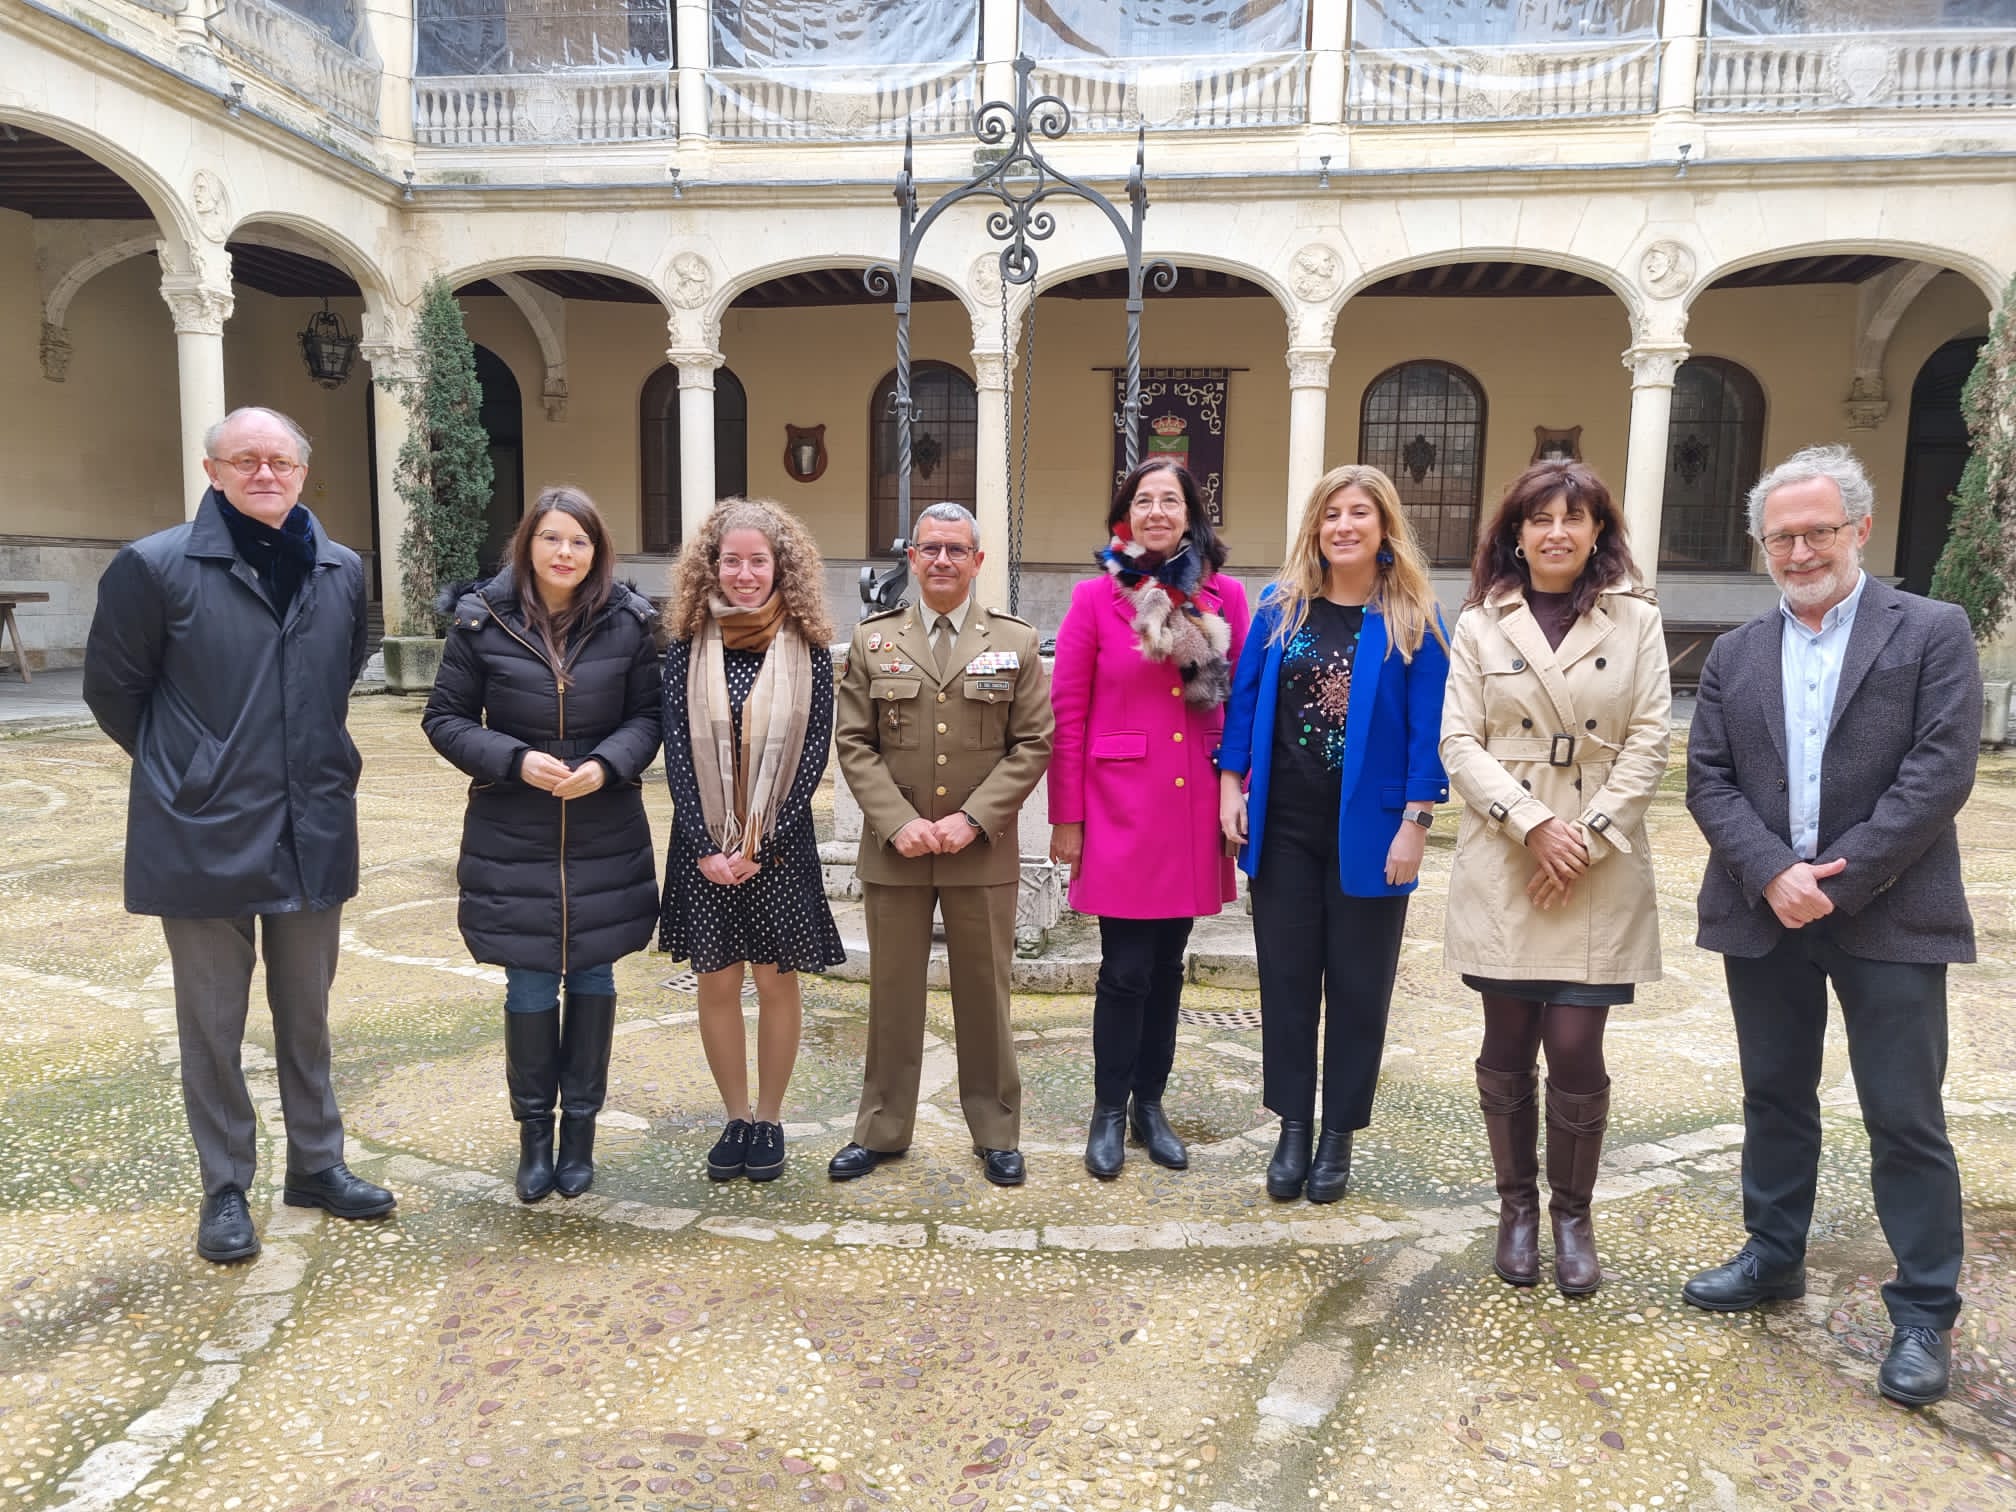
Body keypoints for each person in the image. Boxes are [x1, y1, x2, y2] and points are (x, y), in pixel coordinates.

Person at [1682, 444, 1978, 1409]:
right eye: (1782, 538)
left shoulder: (1930, 630)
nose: (1800, 552)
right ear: (1763, 546)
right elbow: (1709, 780)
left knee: (1904, 1114)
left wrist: (1835, 884)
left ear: (1859, 529)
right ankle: (1773, 1255)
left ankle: (1924, 1310)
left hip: (1891, 911)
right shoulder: (1734, 653)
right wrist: (1773, 872)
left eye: (1817, 532)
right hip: (1764, 910)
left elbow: (1940, 773)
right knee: (1774, 1096)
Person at [83, 406, 395, 1263]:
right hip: (202, 827)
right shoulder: (153, 567)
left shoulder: (340, 569)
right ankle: (225, 1186)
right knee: (213, 1023)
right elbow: (114, 691)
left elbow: (333, 678)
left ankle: (318, 1165)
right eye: (245, 460)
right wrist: (194, 767)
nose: (264, 473)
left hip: (312, 820)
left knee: (308, 1014)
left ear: (302, 472)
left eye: (280, 461)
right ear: (212, 471)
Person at [1440, 460, 1670, 1296]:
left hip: (1597, 859)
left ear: (1599, 530)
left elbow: (1650, 739)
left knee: (1574, 1044)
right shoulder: (1480, 622)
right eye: (1540, 519)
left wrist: (1586, 838)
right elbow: (1457, 741)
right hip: (1510, 852)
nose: (1557, 533)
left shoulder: (1636, 618)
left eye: (1575, 517)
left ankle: (1572, 1213)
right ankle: (1517, 1210)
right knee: (1506, 1041)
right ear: (1516, 533)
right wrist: (1534, 826)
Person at [422, 487, 662, 1202]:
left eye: (579, 541)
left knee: (593, 978)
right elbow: (445, 718)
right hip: (512, 831)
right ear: (527, 543)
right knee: (528, 982)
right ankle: (534, 1136)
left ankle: (579, 1135)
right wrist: (513, 759)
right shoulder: (481, 620)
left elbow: (650, 716)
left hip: (602, 830)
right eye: (552, 538)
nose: (565, 552)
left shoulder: (628, 621)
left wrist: (608, 764)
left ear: (597, 551)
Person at [1219, 464, 1450, 1202]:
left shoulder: (1413, 618)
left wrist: (1416, 824)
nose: (1343, 526)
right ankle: (1293, 1125)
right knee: (1287, 984)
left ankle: (1338, 1133)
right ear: (1315, 528)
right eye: (1330, 514)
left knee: (1358, 988)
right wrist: (1229, 787)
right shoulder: (1279, 610)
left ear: (1384, 528)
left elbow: (1428, 733)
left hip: (1376, 835)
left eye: (1358, 513)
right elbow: (1242, 706)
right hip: (1284, 830)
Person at [830, 502, 1054, 1186]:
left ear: (978, 561)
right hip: (895, 850)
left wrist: (973, 819)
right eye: (930, 548)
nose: (942, 560)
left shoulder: (1014, 642)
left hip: (979, 852)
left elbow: (1033, 743)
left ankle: (996, 1132)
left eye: (957, 549)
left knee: (986, 996)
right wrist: (897, 821)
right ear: (912, 558)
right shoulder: (873, 640)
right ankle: (882, 1128)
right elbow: (854, 742)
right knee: (892, 997)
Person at [1050, 459, 1251, 1179]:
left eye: (1171, 500)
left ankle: (1150, 1106)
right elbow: (1068, 710)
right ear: (1126, 514)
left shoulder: (1224, 594)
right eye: (1144, 500)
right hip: (1120, 807)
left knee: (1169, 967)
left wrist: (1236, 788)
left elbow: (1240, 704)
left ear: (1191, 513)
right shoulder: (1096, 596)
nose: (1157, 511)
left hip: (1194, 802)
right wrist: (1067, 817)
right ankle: (1108, 1109)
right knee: (1125, 969)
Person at [659, 498, 844, 1184]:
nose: (744, 574)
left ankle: (769, 1119)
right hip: (702, 848)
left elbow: (813, 757)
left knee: (775, 981)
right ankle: (734, 1116)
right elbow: (676, 753)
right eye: (731, 560)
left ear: (780, 567)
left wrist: (759, 844)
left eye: (757, 561)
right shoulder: (683, 650)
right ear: (711, 566)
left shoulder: (809, 651)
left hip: (781, 847)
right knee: (716, 980)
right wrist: (707, 846)